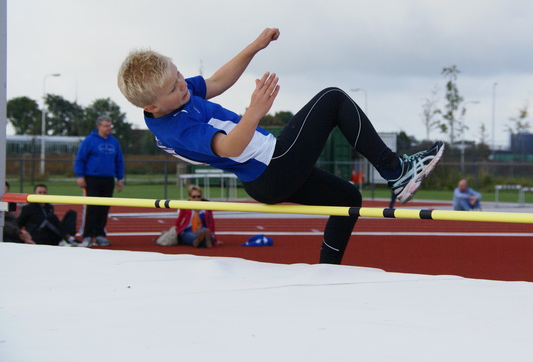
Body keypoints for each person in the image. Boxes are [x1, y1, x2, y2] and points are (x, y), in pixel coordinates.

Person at [117, 28, 445, 264]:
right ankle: (397, 171)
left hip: (269, 172)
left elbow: (216, 81)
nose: (183, 86)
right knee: (333, 99)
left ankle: (326, 274)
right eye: (174, 88)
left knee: (347, 198)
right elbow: (230, 147)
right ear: (152, 107)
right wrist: (255, 111)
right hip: (272, 167)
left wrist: (254, 47)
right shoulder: (176, 127)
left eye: (180, 77)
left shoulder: (176, 97)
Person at [74, 115, 125, 247]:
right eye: (106, 126)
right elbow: (80, 159)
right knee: (91, 208)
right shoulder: (89, 141)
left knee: (104, 208)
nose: (109, 128)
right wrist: (80, 176)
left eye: (110, 126)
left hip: (108, 179)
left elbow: (119, 160)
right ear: (99, 126)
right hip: (92, 178)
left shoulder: (114, 142)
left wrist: (120, 178)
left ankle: (100, 235)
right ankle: (87, 236)